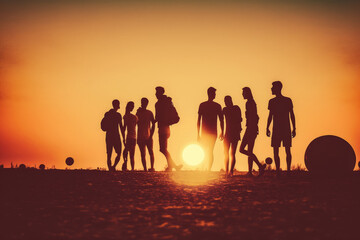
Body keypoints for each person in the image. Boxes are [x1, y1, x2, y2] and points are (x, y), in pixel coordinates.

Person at [266, 81, 296, 175]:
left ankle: (287, 170)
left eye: (273, 87)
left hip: (285, 128)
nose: (271, 89)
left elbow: (292, 115)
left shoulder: (287, 100)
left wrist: (294, 128)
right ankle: (279, 171)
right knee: (277, 150)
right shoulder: (272, 101)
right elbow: (270, 115)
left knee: (286, 150)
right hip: (277, 128)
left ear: (278, 88)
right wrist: (267, 127)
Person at [155, 86, 182, 171]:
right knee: (163, 148)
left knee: (162, 149)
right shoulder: (168, 101)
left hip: (163, 127)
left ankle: (173, 165)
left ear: (160, 93)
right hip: (166, 127)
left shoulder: (159, 103)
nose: (155, 94)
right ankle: (172, 165)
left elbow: (157, 117)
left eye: (156, 92)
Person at [239, 87, 265, 176]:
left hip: (251, 128)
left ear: (247, 93)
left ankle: (250, 171)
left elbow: (255, 117)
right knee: (242, 149)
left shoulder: (251, 103)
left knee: (249, 150)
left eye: (243, 93)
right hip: (249, 128)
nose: (242, 94)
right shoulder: (249, 103)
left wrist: (253, 127)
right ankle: (259, 166)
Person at [197, 87, 224, 171]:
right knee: (208, 151)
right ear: (210, 94)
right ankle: (206, 168)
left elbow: (198, 121)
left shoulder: (203, 105)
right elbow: (221, 120)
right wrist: (222, 131)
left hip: (207, 132)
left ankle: (206, 168)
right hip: (210, 132)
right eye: (214, 93)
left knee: (206, 151)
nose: (215, 95)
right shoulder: (216, 106)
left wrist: (222, 131)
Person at [102, 99, 125, 171]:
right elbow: (121, 127)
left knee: (109, 154)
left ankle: (111, 168)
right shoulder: (118, 115)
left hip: (109, 135)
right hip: (116, 135)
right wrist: (123, 137)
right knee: (118, 153)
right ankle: (113, 167)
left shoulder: (107, 114)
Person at [222, 96, 242, 176]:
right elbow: (222, 119)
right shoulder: (225, 109)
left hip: (233, 133)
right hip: (229, 133)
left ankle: (230, 171)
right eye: (225, 101)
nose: (225, 102)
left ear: (230, 100)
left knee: (232, 153)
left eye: (226, 101)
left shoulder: (235, 108)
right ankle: (227, 171)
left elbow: (240, 120)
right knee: (227, 153)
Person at [136, 97, 156, 171]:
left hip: (148, 135)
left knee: (150, 151)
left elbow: (153, 124)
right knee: (143, 153)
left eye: (144, 102)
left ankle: (151, 167)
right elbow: (135, 122)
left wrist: (151, 135)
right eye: (142, 102)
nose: (143, 104)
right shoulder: (138, 113)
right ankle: (145, 168)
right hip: (140, 136)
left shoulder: (149, 113)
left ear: (147, 103)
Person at [123, 101, 138, 171]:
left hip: (130, 137)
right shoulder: (134, 117)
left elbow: (124, 128)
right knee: (131, 154)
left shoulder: (126, 116)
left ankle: (128, 166)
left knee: (127, 152)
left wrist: (123, 138)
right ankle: (131, 168)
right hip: (133, 137)